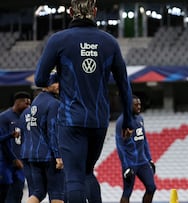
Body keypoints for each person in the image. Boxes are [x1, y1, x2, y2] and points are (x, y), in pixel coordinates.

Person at [34, 0, 135, 202]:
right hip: (98, 121)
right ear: (95, 12)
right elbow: (124, 85)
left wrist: (58, 78)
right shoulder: (109, 42)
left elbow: (39, 79)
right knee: (88, 172)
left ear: (71, 12)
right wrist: (129, 121)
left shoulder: (58, 40)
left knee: (74, 177)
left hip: (71, 120)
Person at [26, 72, 65, 203]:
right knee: (57, 194)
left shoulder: (35, 102)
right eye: (56, 82)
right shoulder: (54, 103)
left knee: (38, 192)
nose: (59, 85)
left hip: (34, 154)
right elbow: (53, 131)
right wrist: (58, 156)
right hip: (49, 156)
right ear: (47, 84)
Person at [115, 95, 156, 203]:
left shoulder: (140, 118)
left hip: (142, 161)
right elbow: (120, 146)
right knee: (127, 192)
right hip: (130, 163)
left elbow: (144, 140)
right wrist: (126, 166)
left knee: (151, 187)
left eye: (140, 104)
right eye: (136, 105)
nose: (139, 107)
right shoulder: (122, 122)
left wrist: (150, 159)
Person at [0, 91, 31, 203]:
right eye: (26, 103)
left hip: (21, 161)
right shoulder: (4, 118)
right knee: (6, 193)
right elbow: (2, 141)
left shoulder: (25, 118)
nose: (28, 106)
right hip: (6, 162)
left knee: (18, 192)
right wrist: (13, 159)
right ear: (18, 103)